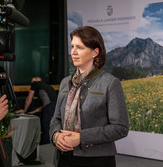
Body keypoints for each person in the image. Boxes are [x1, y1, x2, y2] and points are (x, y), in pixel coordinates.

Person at [49, 26, 129, 167]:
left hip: (97, 160)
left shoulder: (110, 83)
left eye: (79, 47)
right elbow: (56, 118)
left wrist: (81, 137)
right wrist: (55, 135)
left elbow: (120, 127)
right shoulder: (65, 82)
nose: (73, 52)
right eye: (72, 46)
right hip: (64, 157)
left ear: (95, 52)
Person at [16, 77, 57, 144]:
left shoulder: (35, 84)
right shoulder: (46, 86)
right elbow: (46, 104)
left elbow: (29, 98)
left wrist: (24, 110)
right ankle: (48, 145)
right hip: (55, 106)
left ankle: (45, 146)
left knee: (45, 128)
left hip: (49, 108)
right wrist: (32, 112)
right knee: (50, 127)